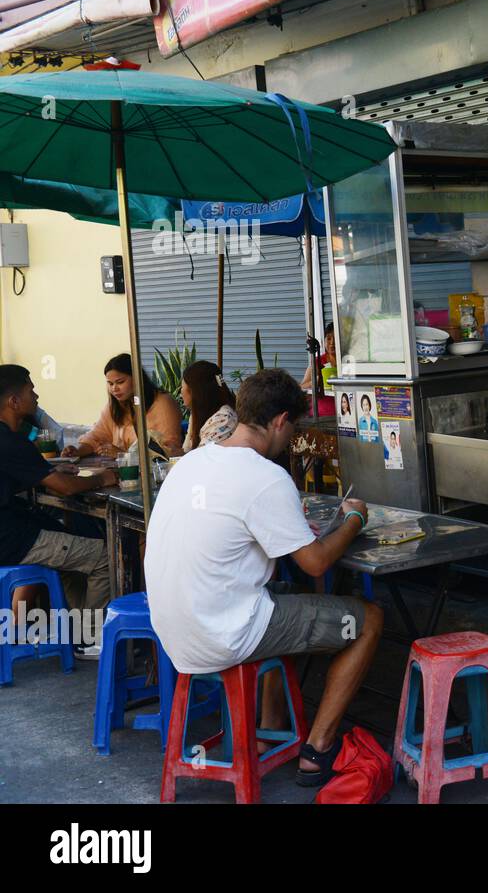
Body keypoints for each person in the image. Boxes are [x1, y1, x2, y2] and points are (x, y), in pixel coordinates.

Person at [145, 367, 382, 786]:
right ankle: (318, 748)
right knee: (369, 620)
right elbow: (316, 563)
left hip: (174, 631)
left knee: (283, 593)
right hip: (222, 634)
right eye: (293, 427)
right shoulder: (265, 476)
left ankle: (271, 727)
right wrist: (353, 520)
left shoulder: (192, 462)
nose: (292, 438)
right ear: (279, 421)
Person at [0, 365, 118, 657]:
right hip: (12, 538)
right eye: (30, 390)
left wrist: (52, 470)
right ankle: (91, 640)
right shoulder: (10, 441)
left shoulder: (10, 440)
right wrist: (101, 478)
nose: (36, 395)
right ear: (14, 402)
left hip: (14, 528)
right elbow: (63, 488)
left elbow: (26, 473)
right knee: (103, 556)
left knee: (71, 541)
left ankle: (79, 633)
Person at [64, 354, 183, 459]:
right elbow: (96, 436)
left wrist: (124, 455)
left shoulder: (163, 403)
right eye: (110, 384)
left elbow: (169, 450)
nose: (114, 388)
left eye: (120, 382)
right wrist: (77, 450)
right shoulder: (114, 406)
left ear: (136, 378)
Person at [181, 360, 238, 452]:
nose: (181, 393)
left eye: (182, 387)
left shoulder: (223, 418)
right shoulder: (197, 415)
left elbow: (203, 457)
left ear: (195, 391)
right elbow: (187, 450)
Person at [299, 322, 336, 417]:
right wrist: (316, 381)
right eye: (329, 338)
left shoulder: (347, 361)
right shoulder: (317, 361)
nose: (332, 343)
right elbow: (302, 386)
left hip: (344, 412)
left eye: (336, 338)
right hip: (321, 415)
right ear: (323, 341)